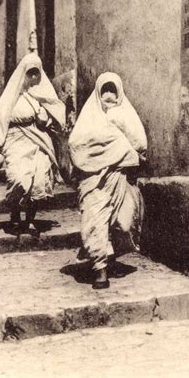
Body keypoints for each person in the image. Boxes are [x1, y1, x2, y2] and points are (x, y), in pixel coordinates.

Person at [68, 72, 147, 290]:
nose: (109, 96)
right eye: (105, 91)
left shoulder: (125, 116)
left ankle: (106, 258)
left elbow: (139, 143)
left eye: (114, 91)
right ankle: (100, 270)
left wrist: (125, 151)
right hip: (94, 180)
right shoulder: (89, 117)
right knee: (95, 220)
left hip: (118, 176)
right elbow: (76, 145)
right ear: (98, 94)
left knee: (122, 222)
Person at [0, 52, 66, 233]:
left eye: (35, 73)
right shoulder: (12, 95)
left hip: (38, 139)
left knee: (38, 179)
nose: (32, 77)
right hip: (16, 139)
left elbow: (56, 116)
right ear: (23, 73)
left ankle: (30, 219)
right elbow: (0, 117)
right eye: (29, 73)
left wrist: (44, 120)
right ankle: (15, 215)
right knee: (19, 179)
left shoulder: (43, 95)